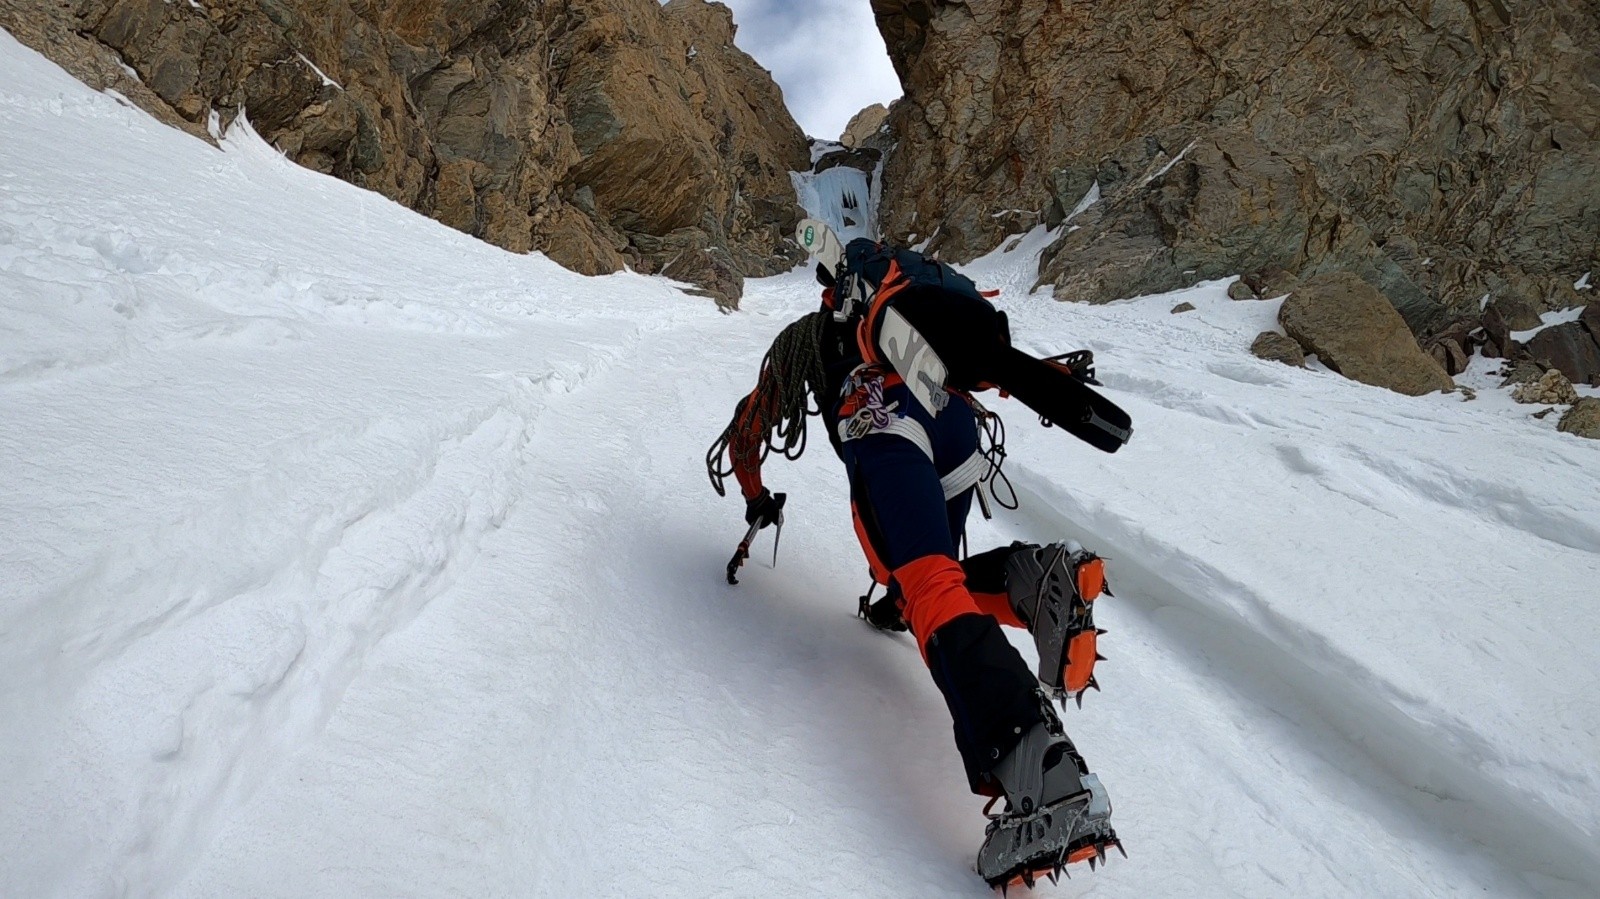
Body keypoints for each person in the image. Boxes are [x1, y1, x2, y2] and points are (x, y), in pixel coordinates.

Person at [706, 234, 1123, 888]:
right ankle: (1036, 581)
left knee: (922, 580)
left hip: (883, 413)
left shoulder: (811, 336)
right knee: (931, 581)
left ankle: (1045, 780)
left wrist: (756, 496)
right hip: (957, 423)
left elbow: (752, 425)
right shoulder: (915, 313)